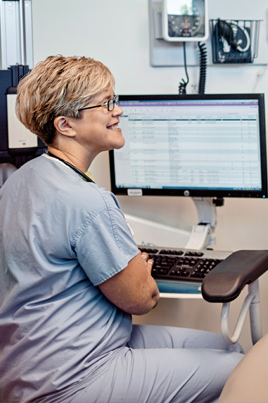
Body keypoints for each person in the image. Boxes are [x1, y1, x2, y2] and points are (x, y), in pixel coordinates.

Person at [0, 56, 244, 403]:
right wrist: (139, 270)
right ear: (66, 124)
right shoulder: (88, 201)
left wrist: (131, 265)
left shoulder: (18, 181)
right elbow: (142, 298)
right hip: (74, 378)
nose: (119, 112)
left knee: (224, 346)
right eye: (107, 103)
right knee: (243, 367)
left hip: (26, 368)